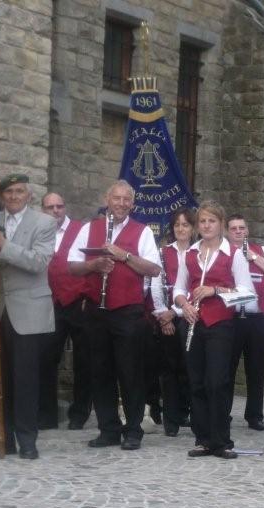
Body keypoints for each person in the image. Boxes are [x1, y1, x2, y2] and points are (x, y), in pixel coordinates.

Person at [67, 180, 162, 451]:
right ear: (107, 199)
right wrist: (94, 264)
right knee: (99, 371)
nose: (121, 204)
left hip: (127, 311)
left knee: (130, 372)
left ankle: (133, 430)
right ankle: (108, 429)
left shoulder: (141, 232)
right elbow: (72, 267)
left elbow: (154, 269)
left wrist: (124, 256)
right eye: (116, 198)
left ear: (132, 204)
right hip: (96, 310)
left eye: (126, 200)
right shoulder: (89, 228)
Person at [0, 173, 56, 459]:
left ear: (28, 195)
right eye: (8, 192)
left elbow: (38, 262)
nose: (14, 196)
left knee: (25, 379)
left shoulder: (44, 223)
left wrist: (3, 245)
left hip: (29, 309)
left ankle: (27, 440)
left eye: (19, 191)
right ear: (1, 196)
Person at [173, 200, 254, 458]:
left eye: (212, 221)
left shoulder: (233, 254)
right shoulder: (191, 254)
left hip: (221, 324)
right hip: (194, 323)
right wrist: (184, 304)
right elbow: (177, 289)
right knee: (196, 382)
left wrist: (216, 290)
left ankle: (221, 440)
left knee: (217, 381)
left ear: (221, 225)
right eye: (203, 221)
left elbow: (248, 294)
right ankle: (203, 439)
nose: (206, 225)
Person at [40, 191, 91, 430]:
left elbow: (90, 265)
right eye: (50, 207)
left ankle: (79, 414)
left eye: (59, 206)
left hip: (78, 302)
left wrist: (87, 295)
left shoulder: (81, 230)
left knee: (84, 359)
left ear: (65, 207)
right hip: (51, 303)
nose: (55, 211)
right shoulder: (39, 232)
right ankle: (47, 415)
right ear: (43, 210)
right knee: (47, 358)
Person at [226, 214, 264, 431]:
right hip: (231, 319)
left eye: (242, 228)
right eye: (233, 228)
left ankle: (254, 415)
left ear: (247, 231)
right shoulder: (223, 252)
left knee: (256, 369)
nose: (238, 231)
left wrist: (254, 258)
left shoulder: (262, 251)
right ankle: (223, 412)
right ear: (227, 232)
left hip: (257, 319)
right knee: (226, 369)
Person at [151, 208, 195, 436]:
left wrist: (175, 313)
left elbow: (195, 290)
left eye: (185, 225)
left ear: (192, 228)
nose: (181, 229)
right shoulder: (162, 253)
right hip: (167, 317)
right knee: (168, 369)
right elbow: (156, 286)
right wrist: (163, 315)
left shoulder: (199, 252)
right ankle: (171, 420)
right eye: (177, 225)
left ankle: (189, 413)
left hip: (190, 317)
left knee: (189, 368)